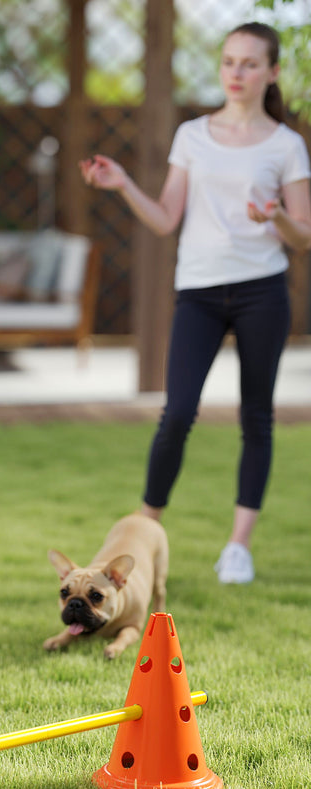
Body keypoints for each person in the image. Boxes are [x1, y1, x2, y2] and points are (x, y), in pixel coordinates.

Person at [81, 21, 311, 584]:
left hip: (262, 292)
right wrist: (124, 184)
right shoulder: (193, 135)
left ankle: (238, 547)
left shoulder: (286, 145)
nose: (237, 73)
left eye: (250, 63)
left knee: (256, 417)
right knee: (177, 411)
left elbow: (303, 234)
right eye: (229, 62)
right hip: (200, 292)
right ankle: (143, 531)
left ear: (273, 72)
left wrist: (274, 214)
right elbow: (165, 220)